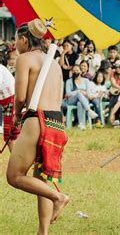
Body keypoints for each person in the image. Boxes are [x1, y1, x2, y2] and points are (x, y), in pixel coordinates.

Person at [6, 19, 69, 234]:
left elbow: (21, 97)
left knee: (14, 176)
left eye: (16, 40)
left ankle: (58, 197)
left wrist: (15, 118)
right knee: (40, 179)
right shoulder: (54, 63)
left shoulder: (24, 59)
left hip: (37, 120)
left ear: (24, 39)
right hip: (56, 122)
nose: (15, 45)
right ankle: (43, 231)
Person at [65, 65, 99, 130]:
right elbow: (68, 93)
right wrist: (79, 91)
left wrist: (83, 93)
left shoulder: (86, 80)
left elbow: (88, 93)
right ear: (72, 72)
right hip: (71, 100)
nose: (76, 72)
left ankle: (81, 124)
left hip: (83, 100)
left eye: (77, 70)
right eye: (74, 70)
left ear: (80, 71)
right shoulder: (68, 81)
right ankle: (89, 110)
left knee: (79, 103)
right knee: (78, 93)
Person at [0, 63, 19, 151]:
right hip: (7, 103)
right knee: (9, 137)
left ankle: (17, 162)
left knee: (11, 137)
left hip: (12, 102)